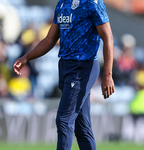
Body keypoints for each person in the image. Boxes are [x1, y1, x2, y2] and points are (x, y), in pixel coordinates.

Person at [13, 0, 115, 150]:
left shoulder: (93, 3)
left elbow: (108, 38)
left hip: (83, 67)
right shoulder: (62, 3)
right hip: (66, 67)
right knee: (82, 127)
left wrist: (108, 74)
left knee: (64, 119)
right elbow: (50, 39)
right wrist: (26, 57)